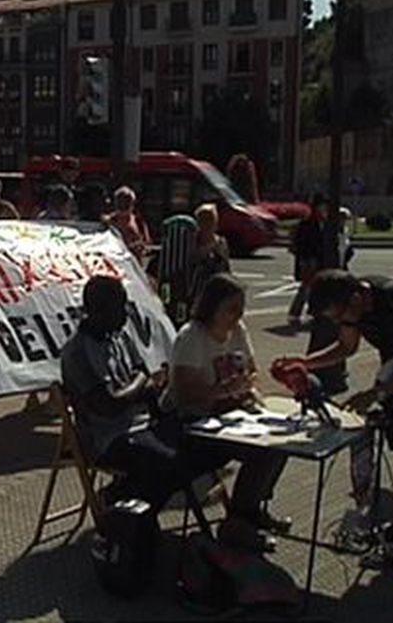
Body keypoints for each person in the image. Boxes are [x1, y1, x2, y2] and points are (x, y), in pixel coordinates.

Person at [61, 276, 211, 513]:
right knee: (167, 463)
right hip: (108, 437)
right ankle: (121, 511)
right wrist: (142, 387)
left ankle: (130, 497)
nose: (125, 314)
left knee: (199, 444)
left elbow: (142, 371)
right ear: (97, 310)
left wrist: (139, 386)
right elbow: (109, 405)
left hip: (142, 423)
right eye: (119, 308)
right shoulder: (76, 352)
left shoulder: (119, 335)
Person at [168, 274, 291, 551]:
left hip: (232, 413)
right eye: (232, 309)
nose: (239, 315)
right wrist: (223, 392)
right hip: (195, 421)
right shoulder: (192, 337)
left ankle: (250, 509)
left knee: (282, 443)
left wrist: (248, 388)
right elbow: (183, 392)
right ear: (213, 307)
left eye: (241, 308)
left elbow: (251, 369)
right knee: (262, 453)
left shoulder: (237, 330)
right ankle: (240, 521)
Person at [277, 271, 393, 520]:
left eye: (340, 316)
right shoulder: (352, 308)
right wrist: (306, 362)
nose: (341, 323)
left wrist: (376, 393)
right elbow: (346, 346)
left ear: (356, 299)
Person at [288, 193, 329, 327]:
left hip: (318, 260)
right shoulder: (308, 223)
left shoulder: (324, 222)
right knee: (306, 288)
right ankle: (295, 314)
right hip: (309, 261)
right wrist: (305, 260)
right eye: (322, 205)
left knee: (315, 288)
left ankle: (314, 313)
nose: (325, 208)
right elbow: (302, 243)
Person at [189, 203, 230, 304]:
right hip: (195, 290)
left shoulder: (221, 242)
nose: (207, 225)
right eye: (204, 221)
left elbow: (225, 267)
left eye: (211, 220)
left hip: (216, 290)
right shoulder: (192, 241)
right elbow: (191, 261)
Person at [108, 186, 150, 259]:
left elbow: (146, 244)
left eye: (127, 202)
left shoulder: (138, 221)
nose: (124, 204)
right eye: (121, 201)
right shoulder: (108, 222)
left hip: (134, 265)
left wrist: (141, 247)